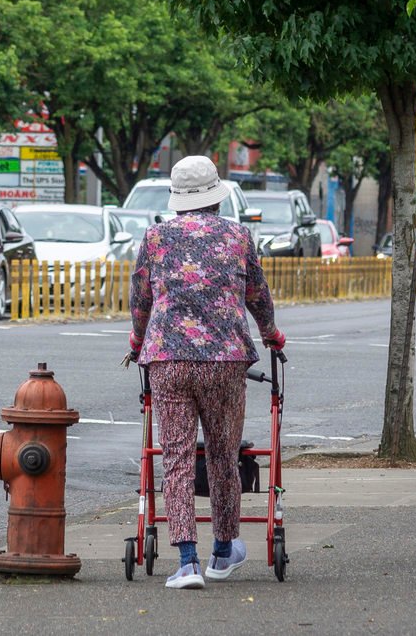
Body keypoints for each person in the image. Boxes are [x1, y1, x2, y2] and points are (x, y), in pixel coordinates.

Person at [127, 155, 285, 589]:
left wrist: (137, 341)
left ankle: (187, 562)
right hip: (224, 360)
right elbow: (258, 295)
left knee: (177, 458)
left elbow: (141, 298)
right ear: (216, 196)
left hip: (168, 359)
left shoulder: (156, 237)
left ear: (177, 199)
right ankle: (223, 550)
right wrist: (271, 334)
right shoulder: (238, 235)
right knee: (222, 455)